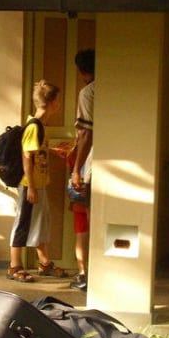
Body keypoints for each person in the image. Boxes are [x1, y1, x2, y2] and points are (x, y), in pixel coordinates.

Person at [7, 79, 67, 283]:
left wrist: (52, 150)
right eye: (58, 101)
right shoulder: (34, 126)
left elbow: (35, 150)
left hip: (39, 183)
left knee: (42, 223)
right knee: (23, 223)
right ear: (52, 103)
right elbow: (27, 156)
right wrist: (31, 186)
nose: (59, 104)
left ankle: (44, 263)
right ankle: (14, 266)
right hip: (29, 184)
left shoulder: (40, 126)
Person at [69, 48, 95, 292]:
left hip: (92, 165)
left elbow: (86, 132)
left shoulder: (88, 92)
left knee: (86, 218)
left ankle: (86, 273)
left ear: (82, 71)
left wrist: (76, 168)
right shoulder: (114, 87)